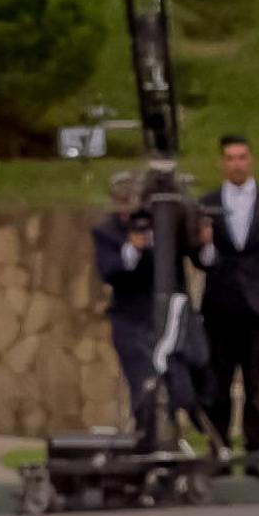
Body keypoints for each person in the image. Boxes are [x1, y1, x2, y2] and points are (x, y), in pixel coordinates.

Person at [91, 170, 205, 449]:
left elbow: (190, 249)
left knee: (185, 375)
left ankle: (187, 427)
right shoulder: (107, 233)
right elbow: (110, 271)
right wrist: (132, 250)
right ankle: (149, 441)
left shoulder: (164, 225)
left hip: (168, 318)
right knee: (145, 383)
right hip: (131, 320)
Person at [198, 133, 259, 460]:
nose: (236, 163)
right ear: (222, 163)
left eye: (242, 157)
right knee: (218, 381)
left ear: (250, 160)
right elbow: (200, 258)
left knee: (254, 382)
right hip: (221, 305)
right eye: (230, 158)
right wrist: (207, 246)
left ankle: (255, 451)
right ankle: (219, 448)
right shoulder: (207, 203)